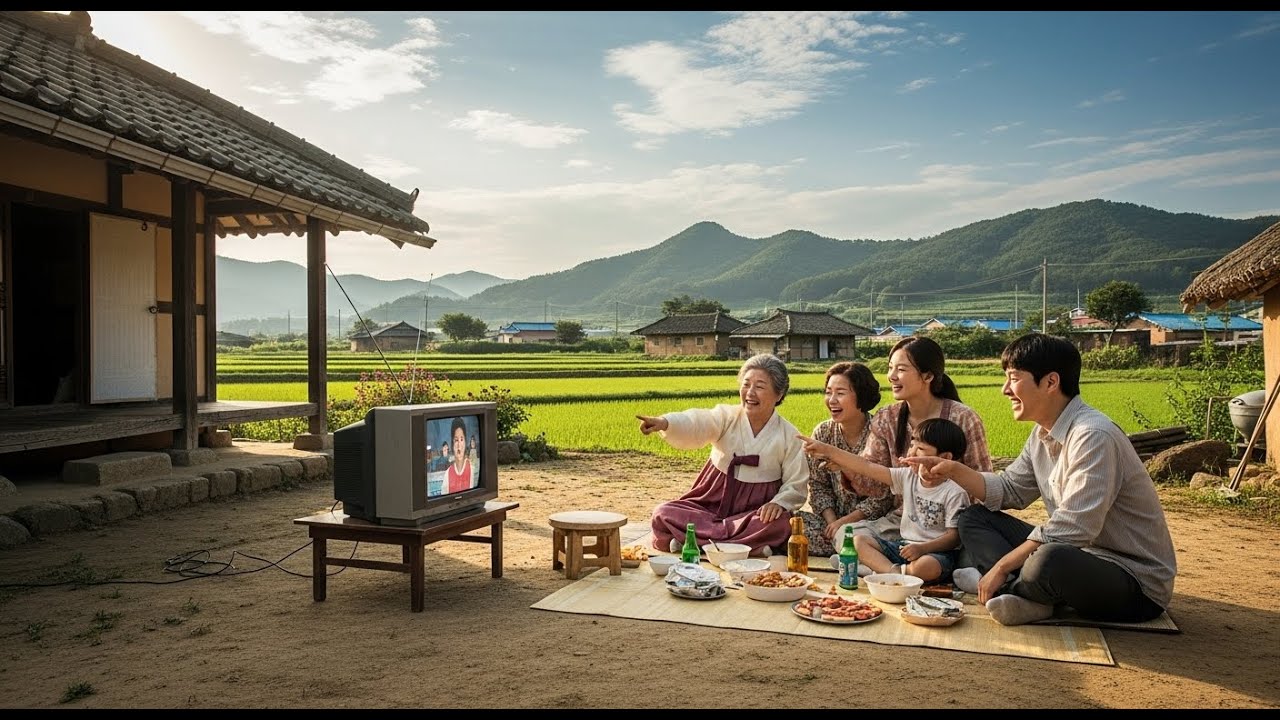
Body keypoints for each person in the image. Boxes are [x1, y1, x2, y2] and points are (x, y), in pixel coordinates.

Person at [904, 334, 1177, 626]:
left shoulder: (1092, 435)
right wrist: (952, 470)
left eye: (1013, 378)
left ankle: (1012, 586)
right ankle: (1027, 595)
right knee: (973, 518)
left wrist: (1002, 565)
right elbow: (1010, 490)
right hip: (1079, 555)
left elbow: (1074, 528)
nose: (1005, 389)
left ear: (1050, 382)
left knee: (1048, 560)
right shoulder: (1041, 434)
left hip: (1132, 580)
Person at [637, 353, 808, 557]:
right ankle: (747, 547)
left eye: (760, 387)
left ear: (779, 394)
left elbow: (796, 483)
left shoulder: (789, 435)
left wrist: (778, 503)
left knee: (781, 524)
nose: (750, 393)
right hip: (710, 503)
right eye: (746, 385)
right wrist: (666, 423)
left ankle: (692, 541)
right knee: (663, 513)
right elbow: (698, 422)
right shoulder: (726, 416)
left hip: (753, 513)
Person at [798, 417, 971, 583]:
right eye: (912, 446)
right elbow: (867, 467)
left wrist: (922, 548)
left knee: (927, 566)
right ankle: (894, 574)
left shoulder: (954, 492)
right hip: (903, 547)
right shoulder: (908, 477)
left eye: (921, 449)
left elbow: (953, 538)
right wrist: (828, 450)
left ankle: (876, 570)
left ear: (946, 458)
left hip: (935, 553)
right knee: (859, 541)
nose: (911, 453)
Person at [862, 336, 992, 540]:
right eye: (890, 368)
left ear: (928, 375)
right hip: (904, 521)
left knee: (968, 556)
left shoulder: (964, 418)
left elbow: (982, 482)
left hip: (953, 525)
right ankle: (901, 567)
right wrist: (841, 463)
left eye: (901, 369)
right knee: (848, 537)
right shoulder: (886, 417)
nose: (892, 376)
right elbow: (873, 481)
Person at [793, 361, 894, 557]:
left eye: (840, 393)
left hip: (870, 522)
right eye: (828, 392)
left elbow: (883, 496)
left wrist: (846, 522)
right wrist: (833, 522)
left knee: (865, 536)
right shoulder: (823, 432)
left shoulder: (879, 433)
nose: (831, 400)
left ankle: (857, 551)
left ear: (861, 396)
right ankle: (853, 553)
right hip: (832, 521)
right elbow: (817, 485)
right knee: (791, 525)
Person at [446, 417, 474, 493]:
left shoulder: (472, 468)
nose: (459, 445)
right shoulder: (448, 473)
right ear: (452, 444)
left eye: (462, 439)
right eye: (456, 440)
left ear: (465, 442)